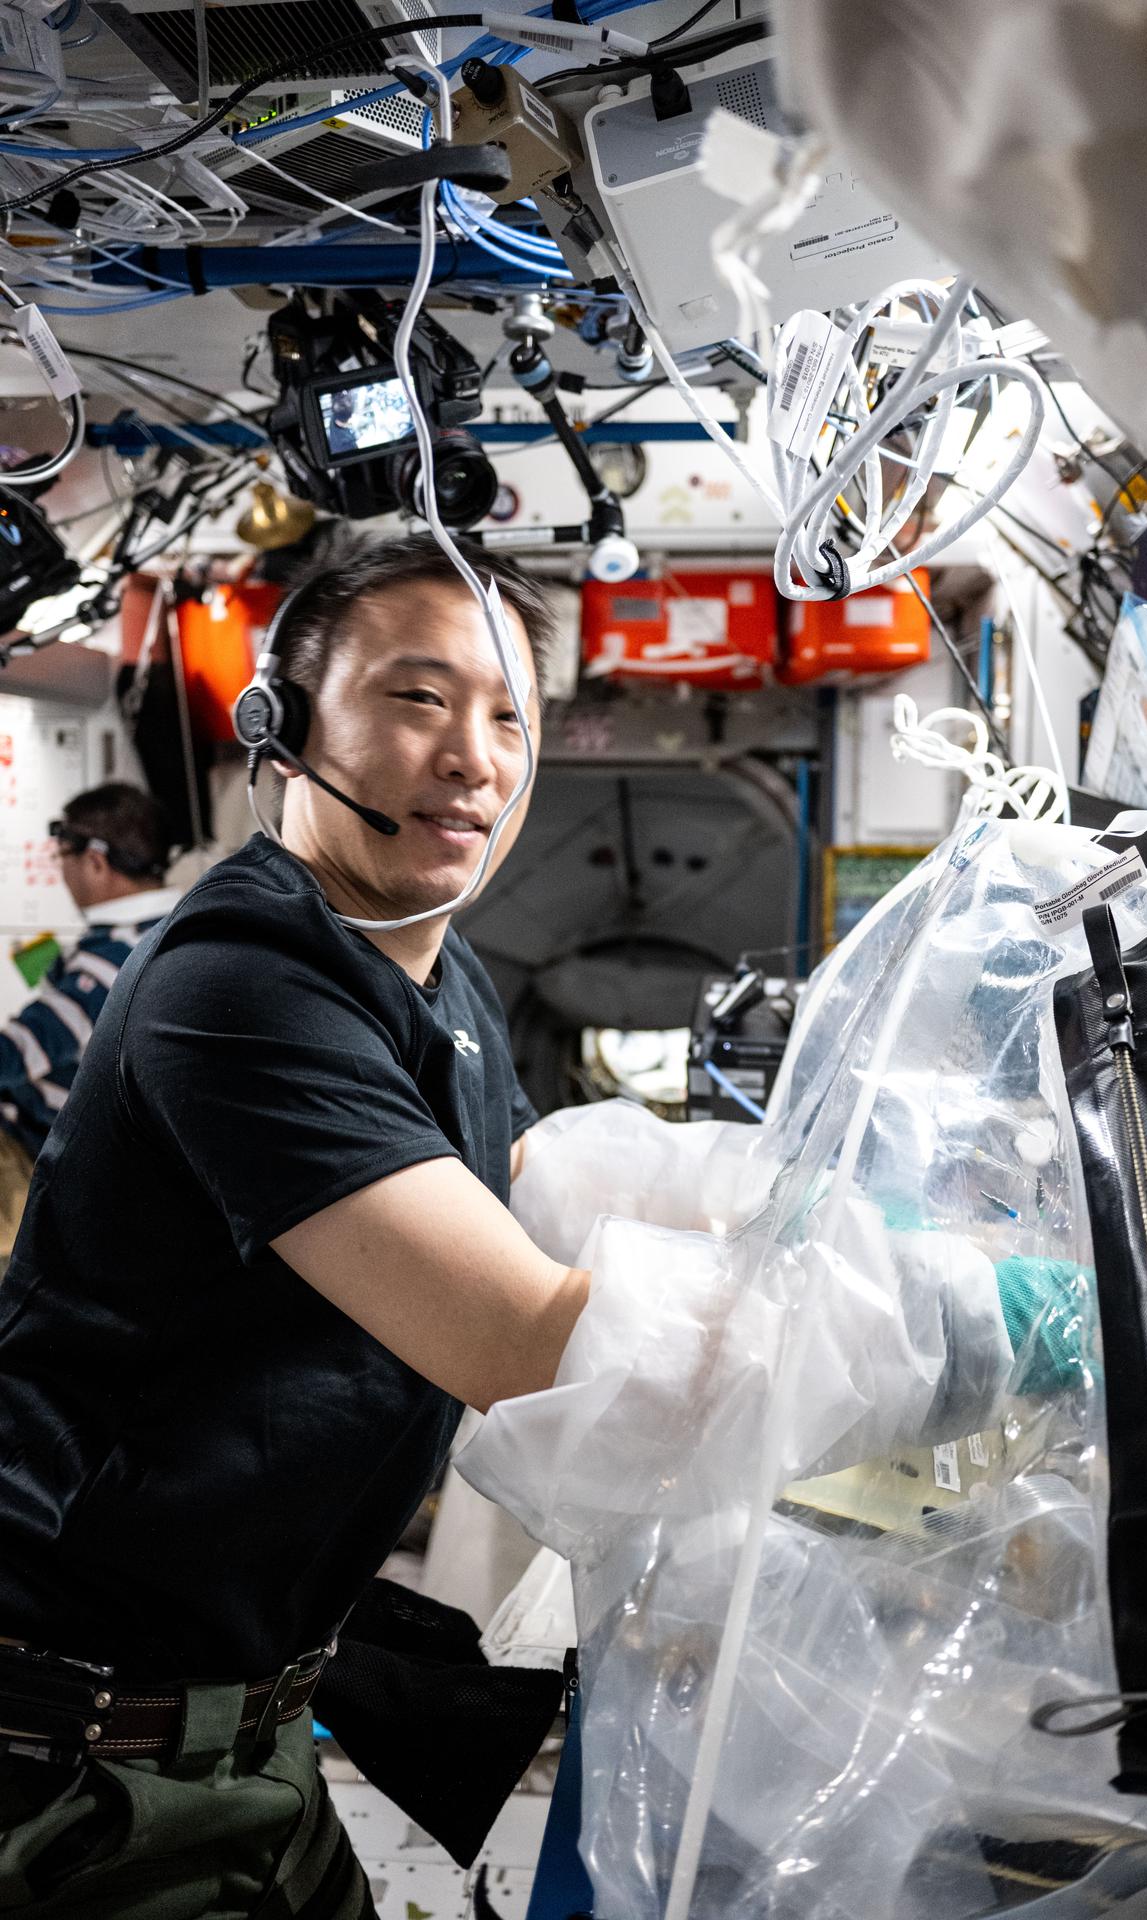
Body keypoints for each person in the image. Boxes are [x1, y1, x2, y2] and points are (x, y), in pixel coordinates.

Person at [0, 537, 589, 1918]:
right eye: (419, 698)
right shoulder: (243, 984)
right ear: (284, 723)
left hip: (249, 1729)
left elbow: (504, 1221)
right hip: (72, 1769)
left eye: (511, 716)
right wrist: (941, 1334)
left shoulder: (451, 990)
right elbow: (519, 1339)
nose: (475, 756)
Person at [0, 782, 179, 1259]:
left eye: (62, 856)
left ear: (96, 861)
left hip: (32, 1155)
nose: (60, 871)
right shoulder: (166, 929)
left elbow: (15, 1055)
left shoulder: (112, 956)